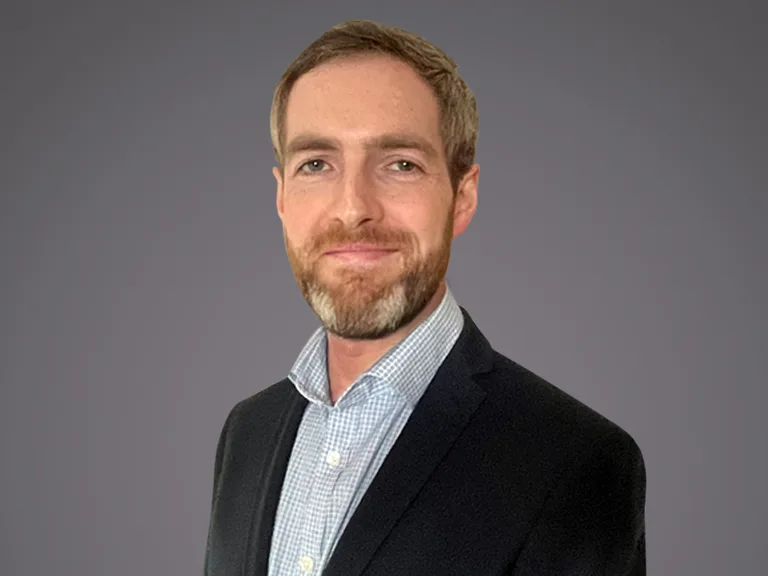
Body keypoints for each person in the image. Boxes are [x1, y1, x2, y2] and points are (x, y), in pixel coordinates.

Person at [203, 19, 646, 576]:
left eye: (400, 165)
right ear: (282, 198)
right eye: (316, 164)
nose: (352, 208)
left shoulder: (574, 461)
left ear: (463, 197)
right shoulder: (247, 433)